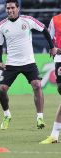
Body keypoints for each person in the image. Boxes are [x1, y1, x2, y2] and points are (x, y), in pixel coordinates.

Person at [0, 0, 56, 130]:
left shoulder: (28, 20)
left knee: (37, 85)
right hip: (11, 63)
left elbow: (44, 29)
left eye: (12, 8)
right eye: (8, 8)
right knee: (2, 89)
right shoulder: (2, 26)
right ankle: (7, 115)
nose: (10, 10)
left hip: (29, 62)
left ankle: (40, 117)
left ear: (18, 8)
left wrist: (52, 47)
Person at [40, 14, 61, 144]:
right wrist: (52, 48)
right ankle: (54, 134)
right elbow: (50, 37)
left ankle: (54, 134)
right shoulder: (55, 19)